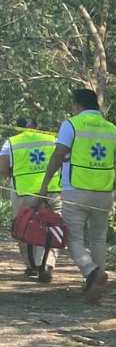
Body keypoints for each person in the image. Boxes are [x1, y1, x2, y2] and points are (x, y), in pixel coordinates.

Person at [37, 88, 116, 301]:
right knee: (98, 238)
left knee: (73, 237)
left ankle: (92, 272)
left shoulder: (71, 124)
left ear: (77, 105)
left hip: (76, 189)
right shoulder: (112, 128)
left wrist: (45, 184)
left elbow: (59, 154)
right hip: (104, 191)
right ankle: (94, 283)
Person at [0, 116, 61, 281]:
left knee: (24, 227)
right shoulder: (51, 139)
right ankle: (47, 265)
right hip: (53, 190)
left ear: (17, 127)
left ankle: (32, 266)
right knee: (53, 226)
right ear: (36, 125)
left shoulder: (11, 142)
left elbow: (3, 168)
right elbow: (62, 159)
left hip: (24, 192)